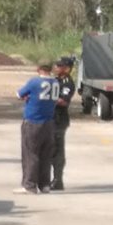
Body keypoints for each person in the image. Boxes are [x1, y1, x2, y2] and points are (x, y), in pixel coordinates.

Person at [15, 64, 59, 195]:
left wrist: (26, 97)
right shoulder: (55, 82)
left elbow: (18, 94)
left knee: (31, 154)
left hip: (33, 121)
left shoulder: (35, 82)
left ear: (39, 69)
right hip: (49, 122)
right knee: (46, 155)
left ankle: (29, 185)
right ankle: (44, 184)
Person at [51, 56, 76, 191]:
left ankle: (57, 180)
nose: (56, 68)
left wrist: (48, 99)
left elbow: (64, 101)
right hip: (51, 118)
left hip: (59, 119)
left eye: (59, 66)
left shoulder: (67, 82)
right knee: (50, 149)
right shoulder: (56, 80)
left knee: (57, 151)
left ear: (66, 69)